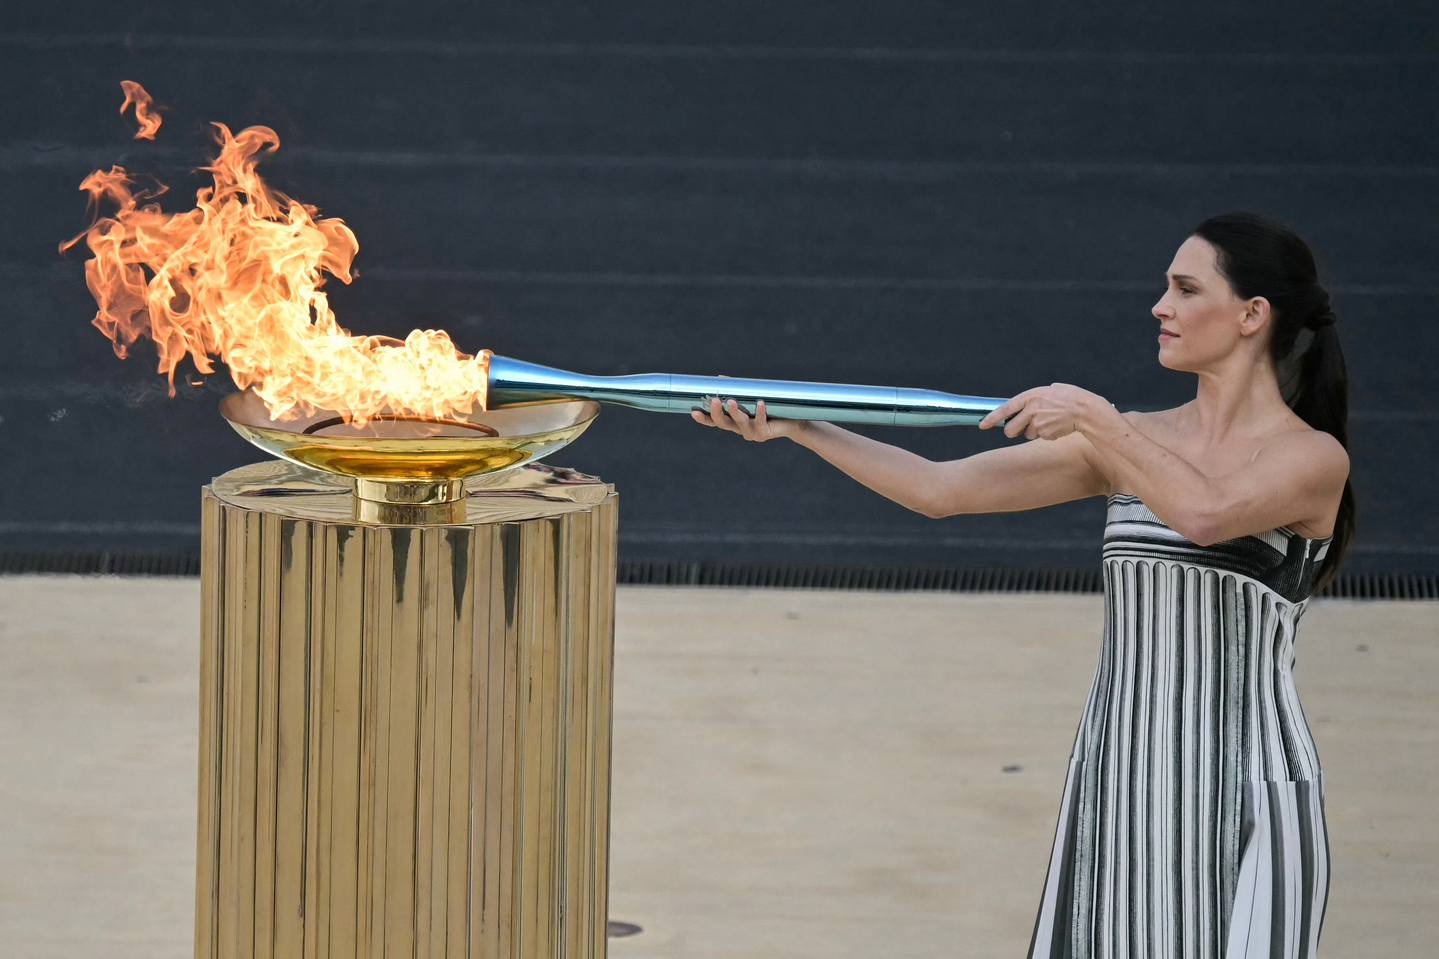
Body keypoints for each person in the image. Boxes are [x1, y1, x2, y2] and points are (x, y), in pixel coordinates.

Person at [690, 211, 1354, 959]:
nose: (1157, 305)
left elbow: (1204, 513)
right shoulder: (1128, 442)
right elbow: (939, 489)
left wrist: (1098, 421)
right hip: (1119, 776)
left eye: (1183, 287)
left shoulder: (1310, 458)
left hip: (1246, 786)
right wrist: (800, 427)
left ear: (1250, 315)